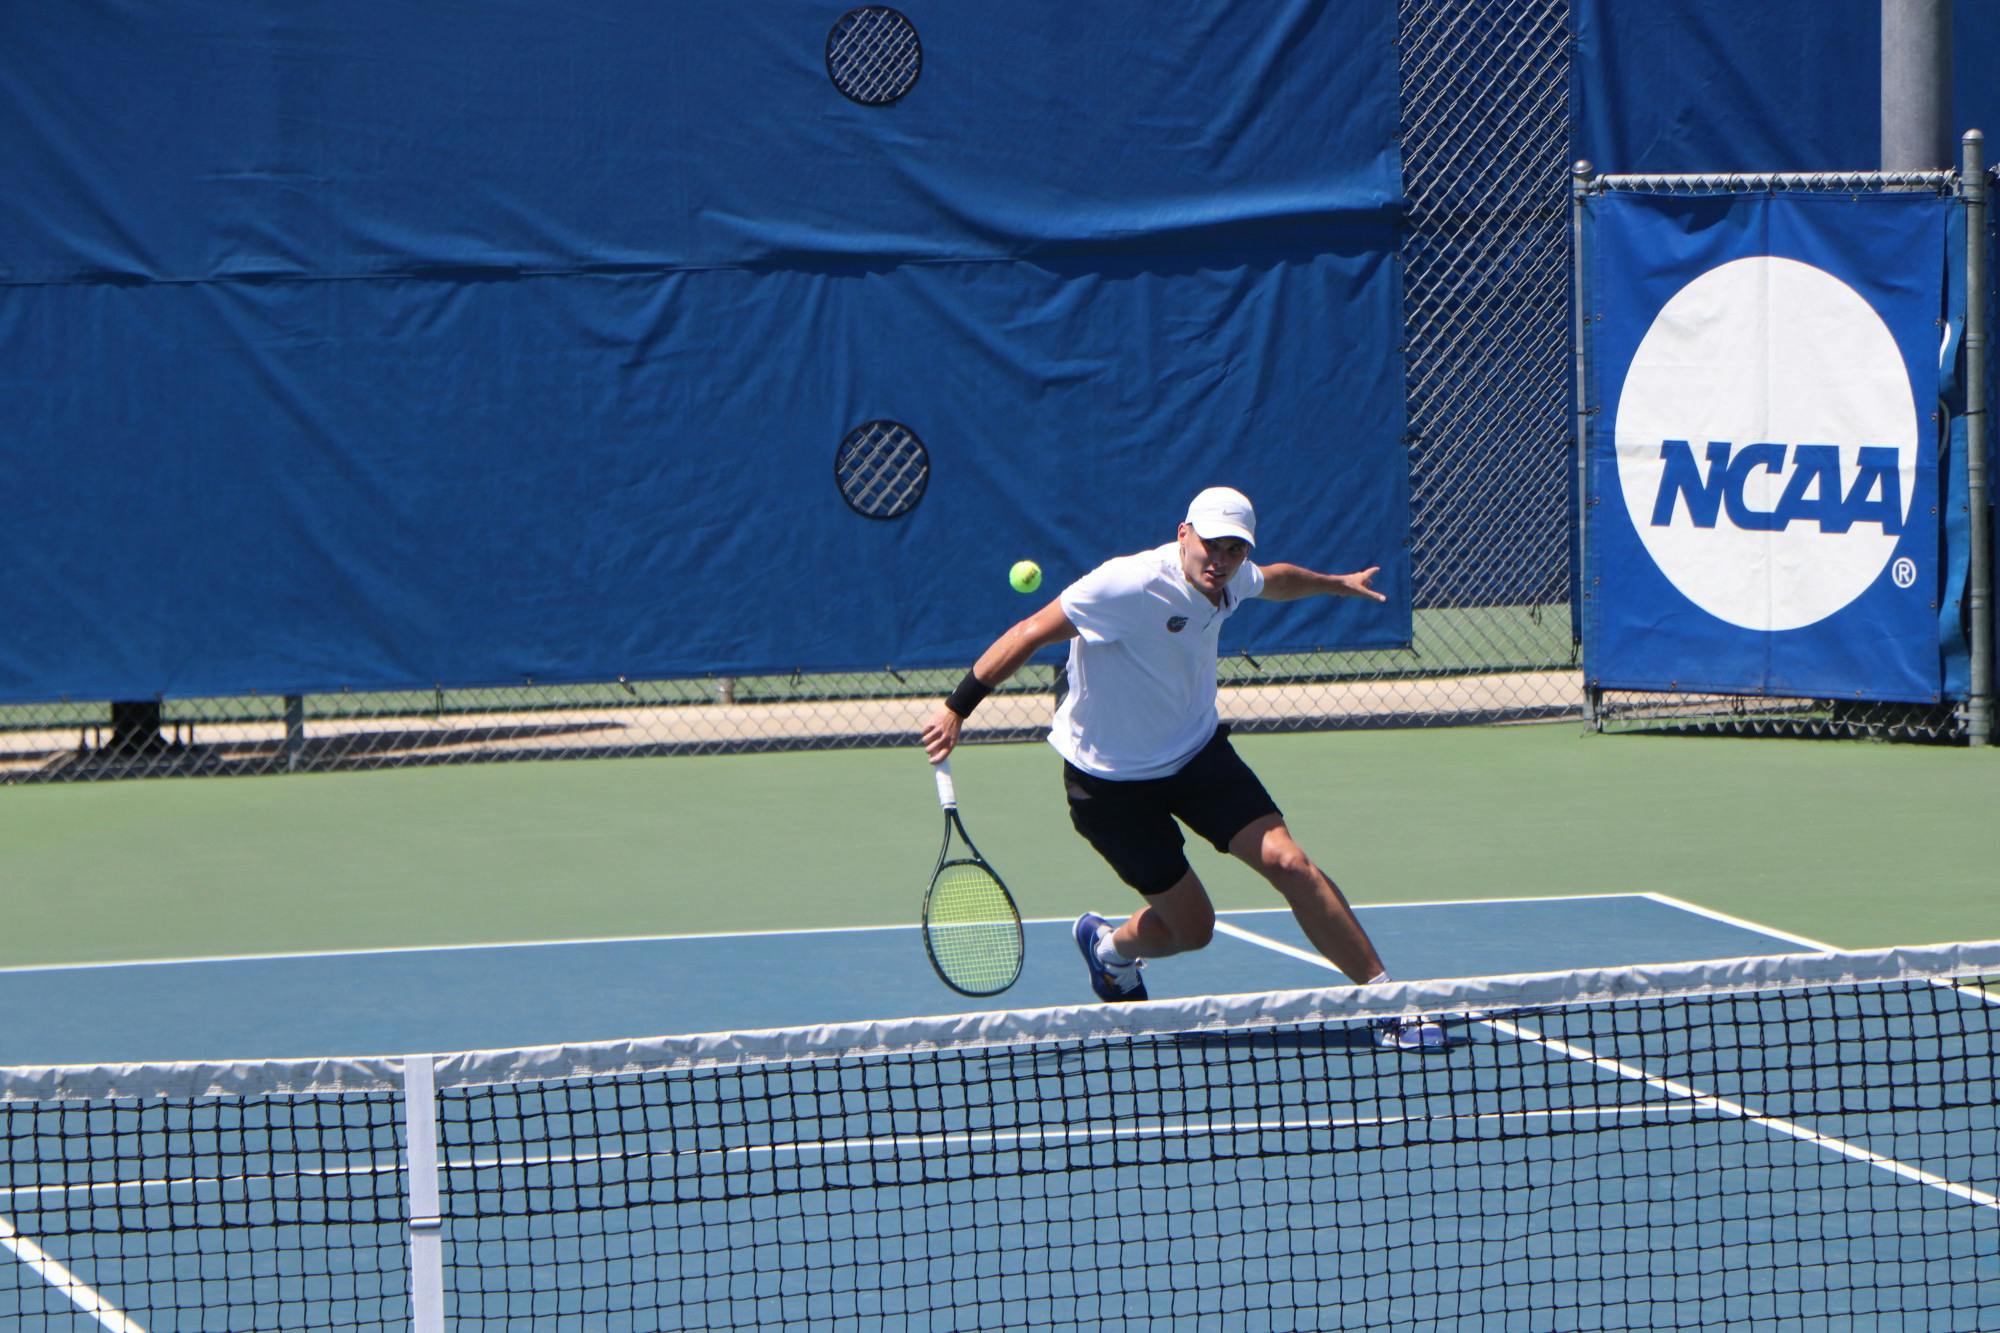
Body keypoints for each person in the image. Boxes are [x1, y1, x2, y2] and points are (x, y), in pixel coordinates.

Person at [921, 486, 1442, 1050]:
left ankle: (1387, 999)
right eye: (1210, 546)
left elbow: (1277, 579)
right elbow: (1028, 633)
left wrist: (1335, 584)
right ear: (1182, 534)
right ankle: (1109, 949)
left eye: (1234, 550)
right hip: (1110, 785)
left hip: (1196, 756)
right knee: (1194, 930)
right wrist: (957, 707)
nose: (1220, 560)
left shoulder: (1233, 577)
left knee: (1290, 863)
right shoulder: (1127, 584)